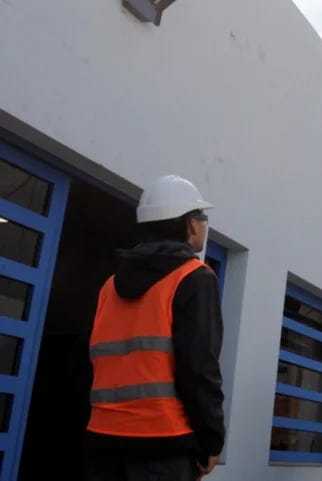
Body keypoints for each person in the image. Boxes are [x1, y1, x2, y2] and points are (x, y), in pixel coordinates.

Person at [85, 174, 225, 481]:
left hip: (103, 438)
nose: (203, 224)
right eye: (201, 216)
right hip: (163, 444)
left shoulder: (110, 285)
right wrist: (211, 440)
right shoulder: (194, 277)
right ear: (190, 224)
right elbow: (199, 367)